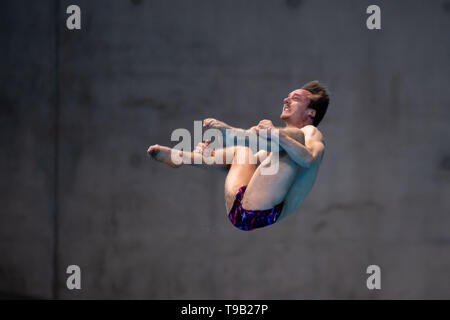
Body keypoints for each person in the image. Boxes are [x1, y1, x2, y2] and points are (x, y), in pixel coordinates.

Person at [147, 80, 329, 231]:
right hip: (241, 206)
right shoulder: (276, 148)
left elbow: (308, 160)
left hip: (261, 212)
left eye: (295, 98)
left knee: (291, 139)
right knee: (243, 152)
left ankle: (235, 135)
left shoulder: (311, 133)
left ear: (311, 112)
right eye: (287, 97)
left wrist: (275, 134)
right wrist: (209, 155)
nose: (286, 100)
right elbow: (235, 165)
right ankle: (182, 158)